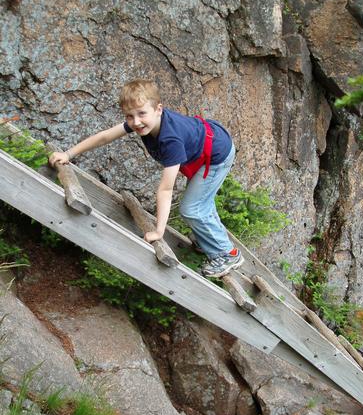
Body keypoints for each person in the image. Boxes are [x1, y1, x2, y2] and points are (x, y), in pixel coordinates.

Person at [49, 79, 244, 278]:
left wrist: (159, 231)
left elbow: (166, 189)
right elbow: (105, 136)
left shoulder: (171, 140)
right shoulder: (144, 123)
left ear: (158, 109)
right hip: (205, 146)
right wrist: (68, 154)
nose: (136, 122)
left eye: (142, 113)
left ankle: (227, 254)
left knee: (191, 208)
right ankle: (210, 239)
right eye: (130, 116)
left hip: (217, 154)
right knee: (200, 202)